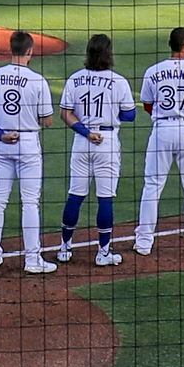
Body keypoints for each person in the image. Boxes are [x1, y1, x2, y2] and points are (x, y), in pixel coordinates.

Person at [130, 27, 184, 259]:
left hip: (162, 130)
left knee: (152, 185)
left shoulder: (153, 71)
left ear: (170, 44)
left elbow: (147, 105)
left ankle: (144, 242)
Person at [0, 30, 56, 271]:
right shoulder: (37, 80)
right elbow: (47, 119)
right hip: (28, 144)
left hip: (1, 142)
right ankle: (32, 260)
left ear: (11, 49)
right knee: (30, 202)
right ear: (30, 52)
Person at [55, 35, 137, 264]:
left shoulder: (75, 79)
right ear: (109, 54)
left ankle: (64, 248)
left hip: (82, 142)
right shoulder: (118, 81)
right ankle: (103, 253)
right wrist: (113, 114)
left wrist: (85, 132)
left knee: (75, 195)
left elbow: (65, 113)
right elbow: (130, 114)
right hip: (107, 141)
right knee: (105, 199)